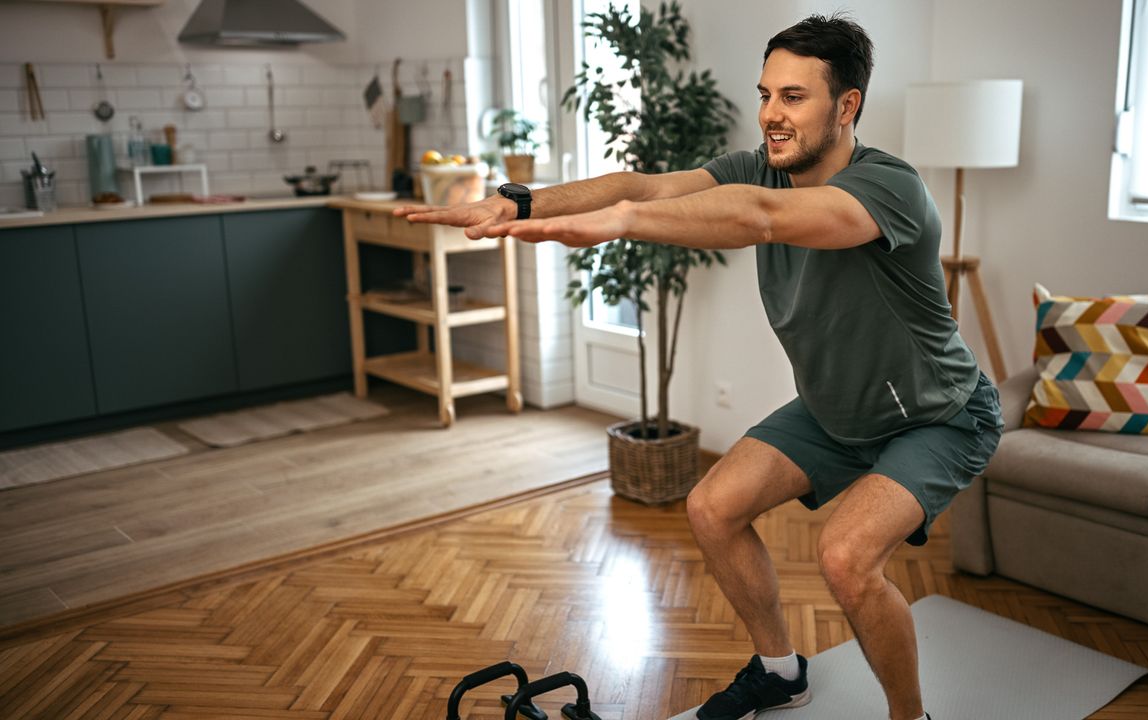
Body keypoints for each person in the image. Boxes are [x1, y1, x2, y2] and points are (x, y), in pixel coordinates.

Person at [395, 13, 1002, 720]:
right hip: (837, 408)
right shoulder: (761, 167)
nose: (771, 114)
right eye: (766, 94)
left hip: (939, 414)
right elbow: (647, 186)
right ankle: (780, 672)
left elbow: (760, 220)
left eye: (794, 98)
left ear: (847, 106)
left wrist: (621, 223)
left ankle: (910, 716)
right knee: (712, 507)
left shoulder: (888, 187)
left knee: (844, 558)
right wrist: (521, 199)